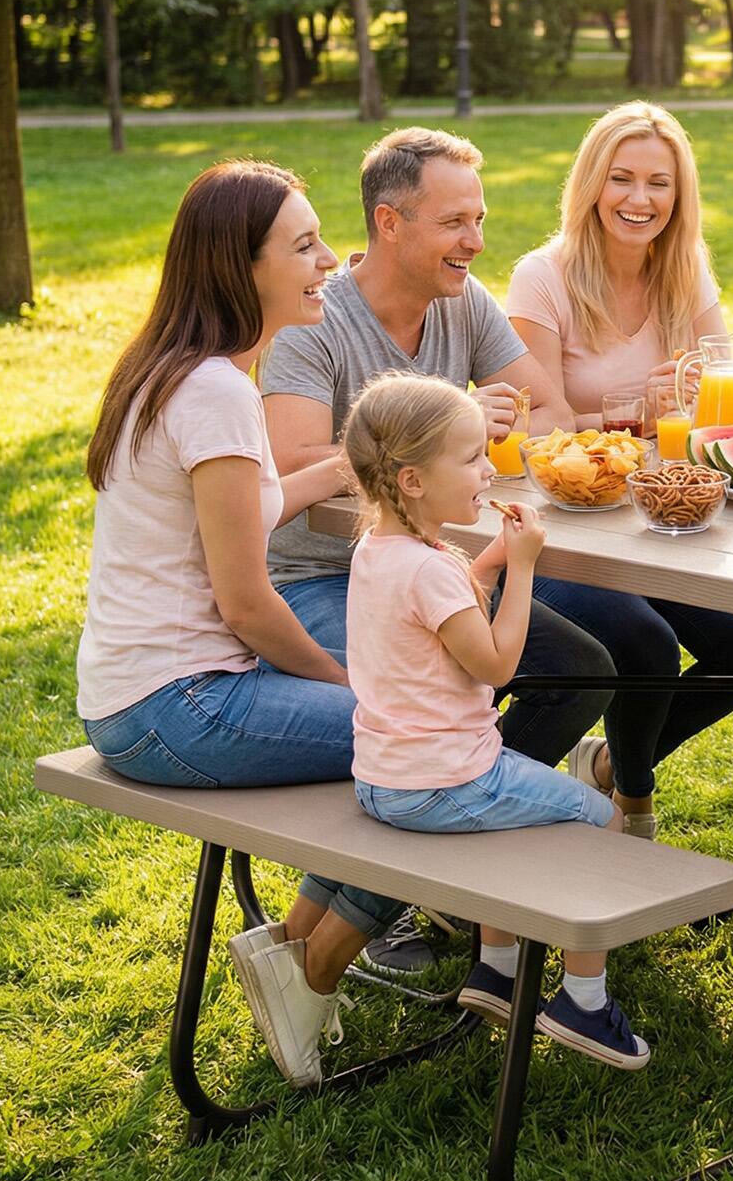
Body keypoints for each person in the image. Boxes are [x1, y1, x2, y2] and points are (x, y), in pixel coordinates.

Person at [77, 161, 408, 1078]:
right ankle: (318, 960)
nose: (330, 260)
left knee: (411, 716)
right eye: (304, 246)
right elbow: (247, 604)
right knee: (423, 734)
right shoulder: (217, 393)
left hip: (142, 695)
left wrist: (350, 464)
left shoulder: (178, 372)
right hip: (178, 706)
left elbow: (250, 506)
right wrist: (347, 684)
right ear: (241, 266)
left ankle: (294, 950)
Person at [260, 126, 614, 976]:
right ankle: (385, 895)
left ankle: (463, 844)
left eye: (479, 219)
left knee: (582, 669)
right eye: (456, 222)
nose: (477, 241)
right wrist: (433, 429)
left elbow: (552, 413)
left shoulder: (463, 299)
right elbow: (289, 463)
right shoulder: (316, 322)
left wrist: (485, 436)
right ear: (390, 223)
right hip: (324, 577)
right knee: (422, 730)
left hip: (431, 566)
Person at [230, 375, 651, 1086]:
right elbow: (497, 664)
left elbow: (445, 607)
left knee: (521, 819)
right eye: (472, 458)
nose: (488, 470)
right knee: (601, 820)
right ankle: (584, 1003)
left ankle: (499, 972)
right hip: (447, 782)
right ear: (413, 480)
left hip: (383, 777)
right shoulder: (430, 572)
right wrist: (523, 569)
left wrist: (491, 561)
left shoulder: (377, 551)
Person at [505, 103, 733, 835]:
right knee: (645, 642)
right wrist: (628, 414)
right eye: (621, 178)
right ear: (591, 183)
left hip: (658, 514)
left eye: (659, 183)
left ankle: (614, 766)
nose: (639, 199)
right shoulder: (542, 277)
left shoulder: (686, 269)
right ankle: (635, 805)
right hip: (562, 523)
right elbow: (536, 421)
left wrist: (709, 395)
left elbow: (719, 390)